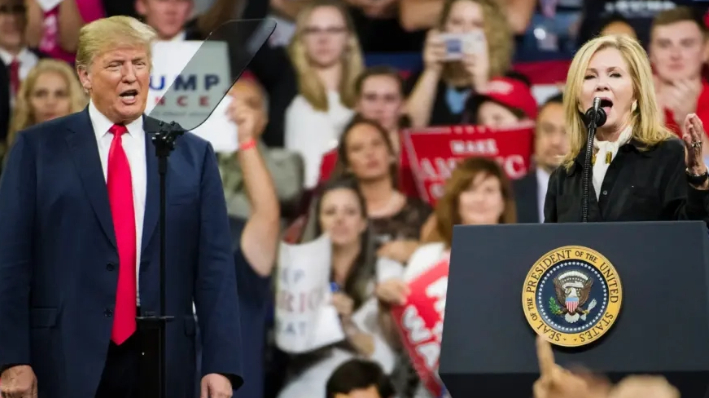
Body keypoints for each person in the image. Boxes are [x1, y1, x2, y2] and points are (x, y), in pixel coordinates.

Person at [0, 15, 242, 398]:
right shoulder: (37, 150)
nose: (131, 76)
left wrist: (221, 364)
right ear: (85, 76)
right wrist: (10, 358)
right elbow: (10, 261)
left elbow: (214, 268)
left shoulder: (190, 155)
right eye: (115, 65)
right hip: (63, 357)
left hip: (162, 361)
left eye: (139, 63)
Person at [544, 34, 709, 223]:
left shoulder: (668, 154)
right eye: (589, 76)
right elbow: (553, 247)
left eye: (615, 75)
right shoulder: (564, 175)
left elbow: (691, 236)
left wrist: (698, 178)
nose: (601, 85)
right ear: (578, 100)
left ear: (636, 93)